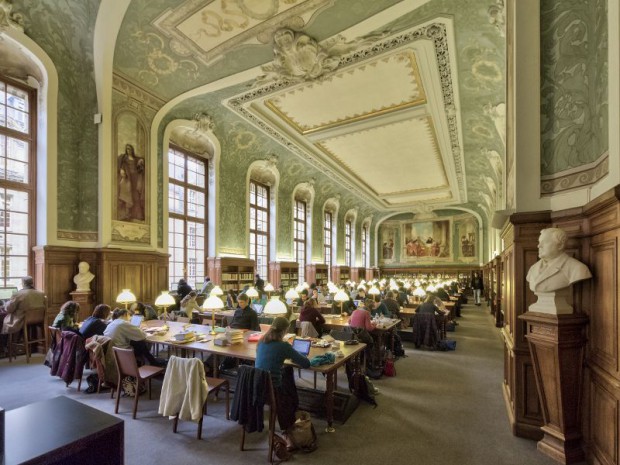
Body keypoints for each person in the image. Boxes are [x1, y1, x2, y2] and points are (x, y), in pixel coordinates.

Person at [255, 316, 311, 433]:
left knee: (287, 371)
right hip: (273, 390)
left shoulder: (261, 341)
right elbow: (306, 364)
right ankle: (289, 427)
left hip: (258, 387)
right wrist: (295, 356)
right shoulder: (283, 346)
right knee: (290, 391)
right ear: (285, 330)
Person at [526, 227, 592, 293]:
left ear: (560, 245)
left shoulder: (578, 269)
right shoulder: (533, 268)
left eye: (544, 242)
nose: (539, 246)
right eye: (539, 242)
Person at [117, 143, 145, 221]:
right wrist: (121, 169)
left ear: (132, 150)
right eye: (127, 149)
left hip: (135, 177)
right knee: (128, 195)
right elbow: (121, 163)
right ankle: (127, 214)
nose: (128, 150)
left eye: (129, 149)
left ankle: (137, 215)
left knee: (136, 196)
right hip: (128, 177)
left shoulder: (135, 158)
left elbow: (140, 159)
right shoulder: (124, 158)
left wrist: (141, 160)